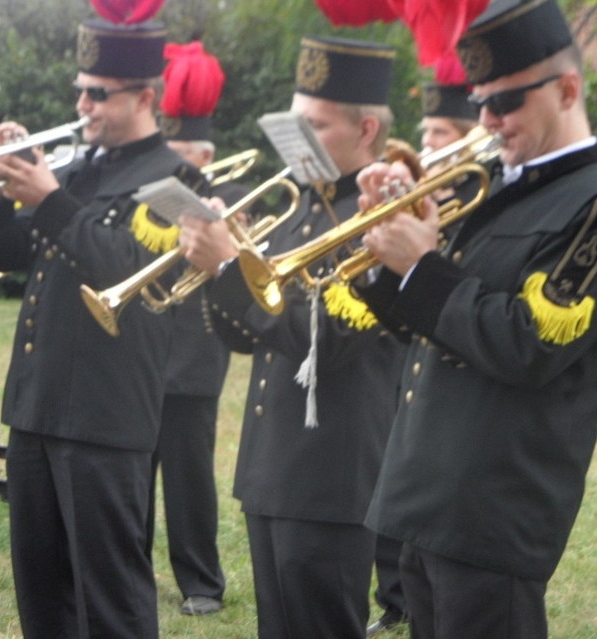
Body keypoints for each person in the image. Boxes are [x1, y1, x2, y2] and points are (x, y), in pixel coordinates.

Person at [355, 1, 597, 637]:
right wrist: (386, 257)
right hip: (432, 498)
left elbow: (528, 344)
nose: (489, 121)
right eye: (481, 102)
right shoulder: (498, 188)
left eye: (506, 103)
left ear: (567, 89)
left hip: (494, 511)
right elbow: (433, 327)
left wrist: (420, 267)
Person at [0, 18, 206, 638]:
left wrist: (49, 198)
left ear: (144, 98)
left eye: (98, 93)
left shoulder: (176, 179)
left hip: (105, 418)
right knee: (42, 596)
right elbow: (1, 255)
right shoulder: (77, 171)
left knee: (112, 602)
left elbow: (138, 273)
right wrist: (2, 190)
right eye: (81, 91)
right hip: (38, 408)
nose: (82, 105)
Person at [179, 36, 405, 638]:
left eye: (316, 127)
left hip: (332, 477)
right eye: (294, 124)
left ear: (364, 131)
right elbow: (248, 337)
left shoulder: (380, 218)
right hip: (274, 466)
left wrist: (231, 269)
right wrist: (218, 269)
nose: (296, 142)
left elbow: (324, 339)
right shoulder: (305, 206)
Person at [368, 79, 479, 638]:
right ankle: (394, 594)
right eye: (426, 130)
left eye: (439, 132)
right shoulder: (427, 196)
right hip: (411, 367)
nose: (426, 142)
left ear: (468, 140)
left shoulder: (472, 203)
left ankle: (396, 594)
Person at [145, 39, 231, 617]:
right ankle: (130, 569)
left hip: (195, 355)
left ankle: (201, 580)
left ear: (203, 154)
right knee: (129, 474)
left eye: (183, 156)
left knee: (189, 476)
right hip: (141, 350)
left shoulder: (223, 202)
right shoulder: (147, 194)